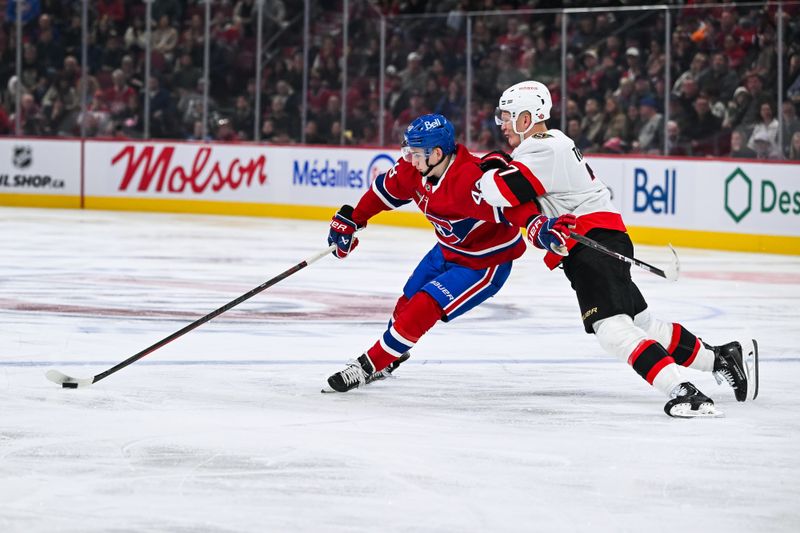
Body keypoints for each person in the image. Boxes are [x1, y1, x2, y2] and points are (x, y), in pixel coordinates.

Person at [475, 80, 758, 418]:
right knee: (643, 323)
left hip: (591, 240)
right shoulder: (547, 145)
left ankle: (684, 391)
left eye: (506, 116)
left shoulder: (543, 148)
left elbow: (499, 192)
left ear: (527, 117)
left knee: (610, 328)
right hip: (600, 237)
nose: (501, 124)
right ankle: (723, 358)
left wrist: (489, 165)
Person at [322, 114, 558, 393]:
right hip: (447, 250)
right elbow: (383, 191)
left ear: (436, 153)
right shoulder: (415, 169)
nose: (409, 159)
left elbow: (510, 205)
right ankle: (390, 358)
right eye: (407, 151)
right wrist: (354, 218)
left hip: (484, 263)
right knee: (406, 303)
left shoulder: (469, 180)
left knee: (424, 305)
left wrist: (535, 224)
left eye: (415, 153)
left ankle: (368, 366)